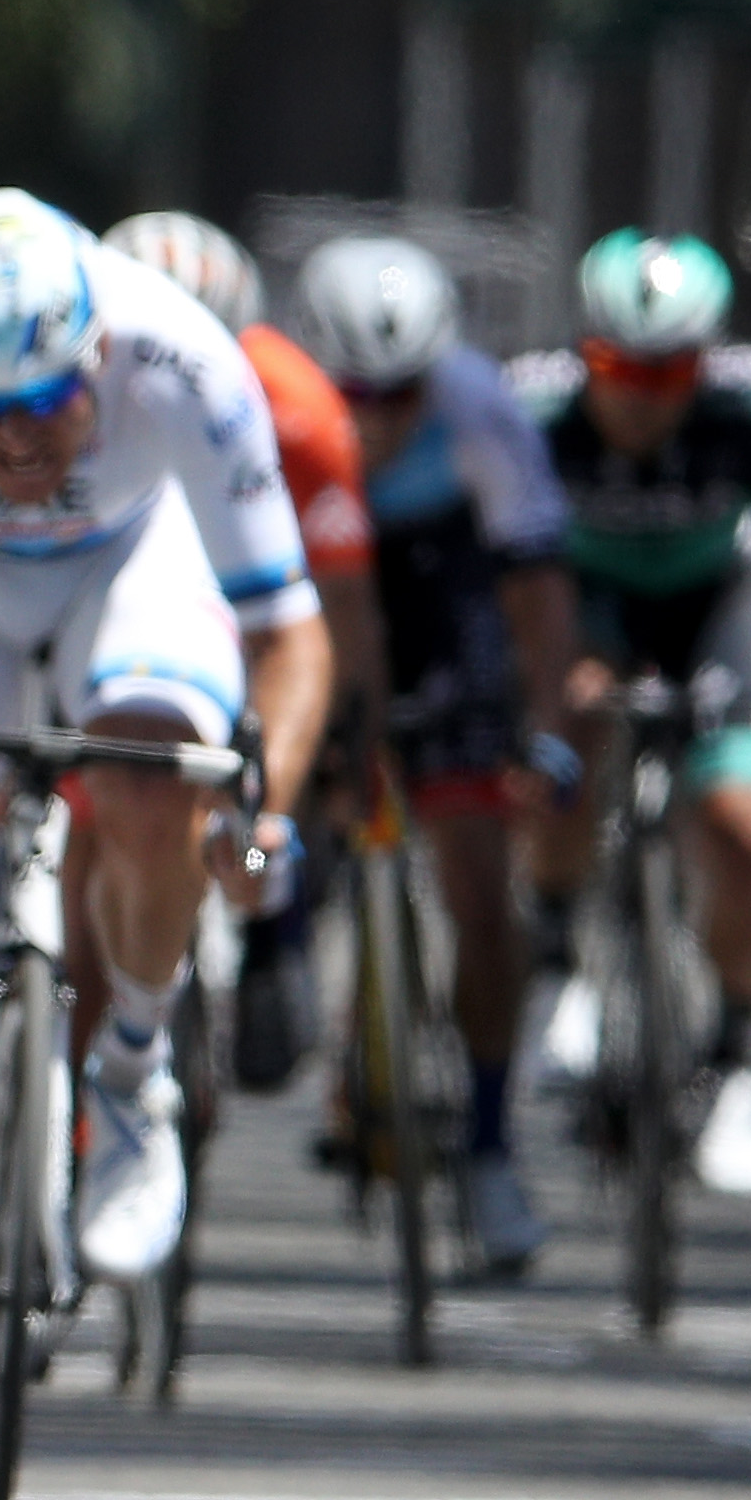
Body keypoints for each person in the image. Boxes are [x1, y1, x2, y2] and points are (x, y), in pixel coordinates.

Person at [0, 190, 333, 1496]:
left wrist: (259, 810)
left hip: (130, 568)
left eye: (47, 401)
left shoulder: (182, 363)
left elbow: (286, 630)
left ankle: (132, 1070)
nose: (20, 436)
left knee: (154, 779)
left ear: (96, 352)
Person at [514, 231, 751, 1197]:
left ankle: (735, 1061)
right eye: (619, 366)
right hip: (581, 604)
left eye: (671, 371)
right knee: (559, 743)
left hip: (717, 608)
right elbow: (504, 578)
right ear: (585, 350)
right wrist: (543, 684)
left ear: (705, 360)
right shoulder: (531, 404)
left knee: (746, 833)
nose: (643, 394)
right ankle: (553, 963)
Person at [294, 235, 575, 1272]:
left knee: (478, 888)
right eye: (355, 393)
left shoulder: (480, 407)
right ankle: (304, 978)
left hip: (444, 604)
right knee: (303, 810)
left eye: (401, 393)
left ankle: (494, 1145)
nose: (378, 417)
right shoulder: (274, 404)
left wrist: (542, 720)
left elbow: (538, 586)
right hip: (319, 595)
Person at [102, 210, 376, 1093]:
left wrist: (322, 747)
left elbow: (329, 599)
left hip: (244, 595)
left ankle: (269, 932)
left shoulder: (295, 408)